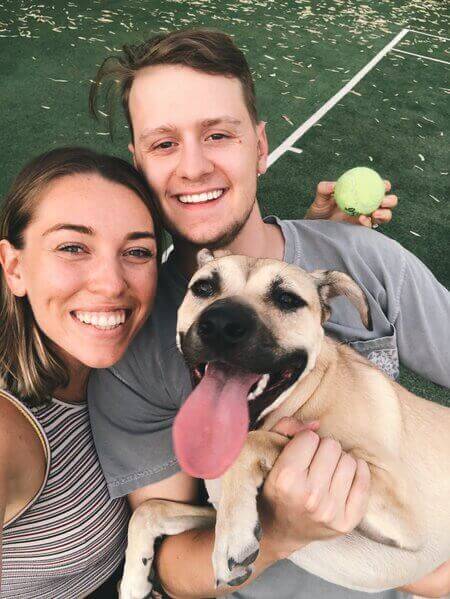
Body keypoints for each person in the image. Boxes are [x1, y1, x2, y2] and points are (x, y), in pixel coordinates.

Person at [88, 29, 450, 599]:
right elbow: (179, 573)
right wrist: (279, 529)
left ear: (259, 147)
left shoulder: (367, 261)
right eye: (163, 144)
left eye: (218, 134)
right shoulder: (130, 349)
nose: (194, 167)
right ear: (138, 164)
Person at [0, 147, 164, 597]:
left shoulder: (114, 366)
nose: (111, 283)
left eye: (137, 251)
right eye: (73, 247)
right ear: (15, 267)